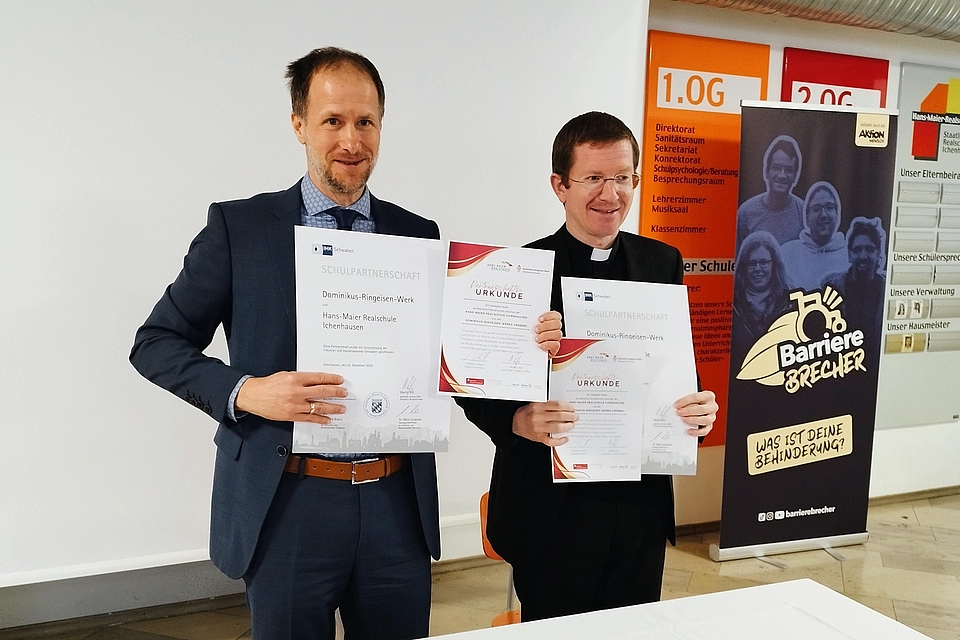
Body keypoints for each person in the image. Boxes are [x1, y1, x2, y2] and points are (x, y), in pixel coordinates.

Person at [131, 47, 443, 640]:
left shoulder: (417, 235)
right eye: (333, 121)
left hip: (396, 505)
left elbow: (444, 353)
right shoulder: (240, 228)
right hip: (287, 501)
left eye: (366, 121)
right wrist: (246, 391)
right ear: (299, 124)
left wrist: (517, 336)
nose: (351, 140)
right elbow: (156, 341)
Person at [456, 112, 718, 622]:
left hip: (639, 507)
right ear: (560, 185)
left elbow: (673, 368)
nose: (610, 194)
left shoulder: (662, 262)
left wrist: (697, 410)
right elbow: (471, 382)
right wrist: (517, 419)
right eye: (593, 178)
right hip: (552, 513)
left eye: (622, 177)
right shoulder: (517, 270)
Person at [821, 217, 887, 357]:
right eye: (857, 250)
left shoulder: (887, 290)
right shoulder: (832, 288)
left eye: (869, 249)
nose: (863, 256)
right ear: (849, 255)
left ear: (878, 253)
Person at [735, 135, 804, 256]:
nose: (782, 175)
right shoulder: (746, 213)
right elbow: (738, 261)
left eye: (788, 170)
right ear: (766, 172)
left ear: (795, 176)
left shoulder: (804, 213)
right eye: (776, 168)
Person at [780, 181, 849, 292]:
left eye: (829, 207)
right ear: (806, 216)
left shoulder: (849, 256)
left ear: (837, 213)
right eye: (816, 209)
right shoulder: (787, 253)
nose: (823, 215)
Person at [731, 231, 791, 353]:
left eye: (764, 262)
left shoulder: (789, 302)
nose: (758, 269)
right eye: (752, 263)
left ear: (774, 264)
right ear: (744, 267)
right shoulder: (733, 304)